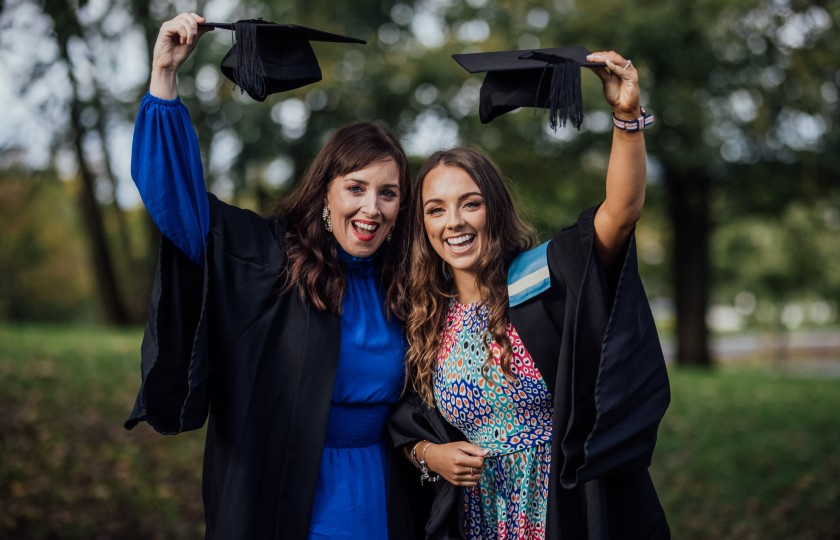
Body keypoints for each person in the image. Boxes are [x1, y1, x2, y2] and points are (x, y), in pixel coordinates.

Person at [123, 12, 414, 540]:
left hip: (384, 492)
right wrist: (164, 76)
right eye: (356, 187)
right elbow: (181, 206)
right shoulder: (274, 257)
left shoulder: (407, 283)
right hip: (286, 493)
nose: (371, 207)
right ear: (326, 190)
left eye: (388, 193)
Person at [389, 51, 671, 539]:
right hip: (477, 515)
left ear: (493, 211)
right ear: (423, 227)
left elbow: (621, 213)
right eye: (436, 210)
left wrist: (626, 116)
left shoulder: (543, 277)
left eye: (470, 204)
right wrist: (430, 455)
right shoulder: (423, 318)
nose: (453, 221)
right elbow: (405, 421)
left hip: (561, 506)